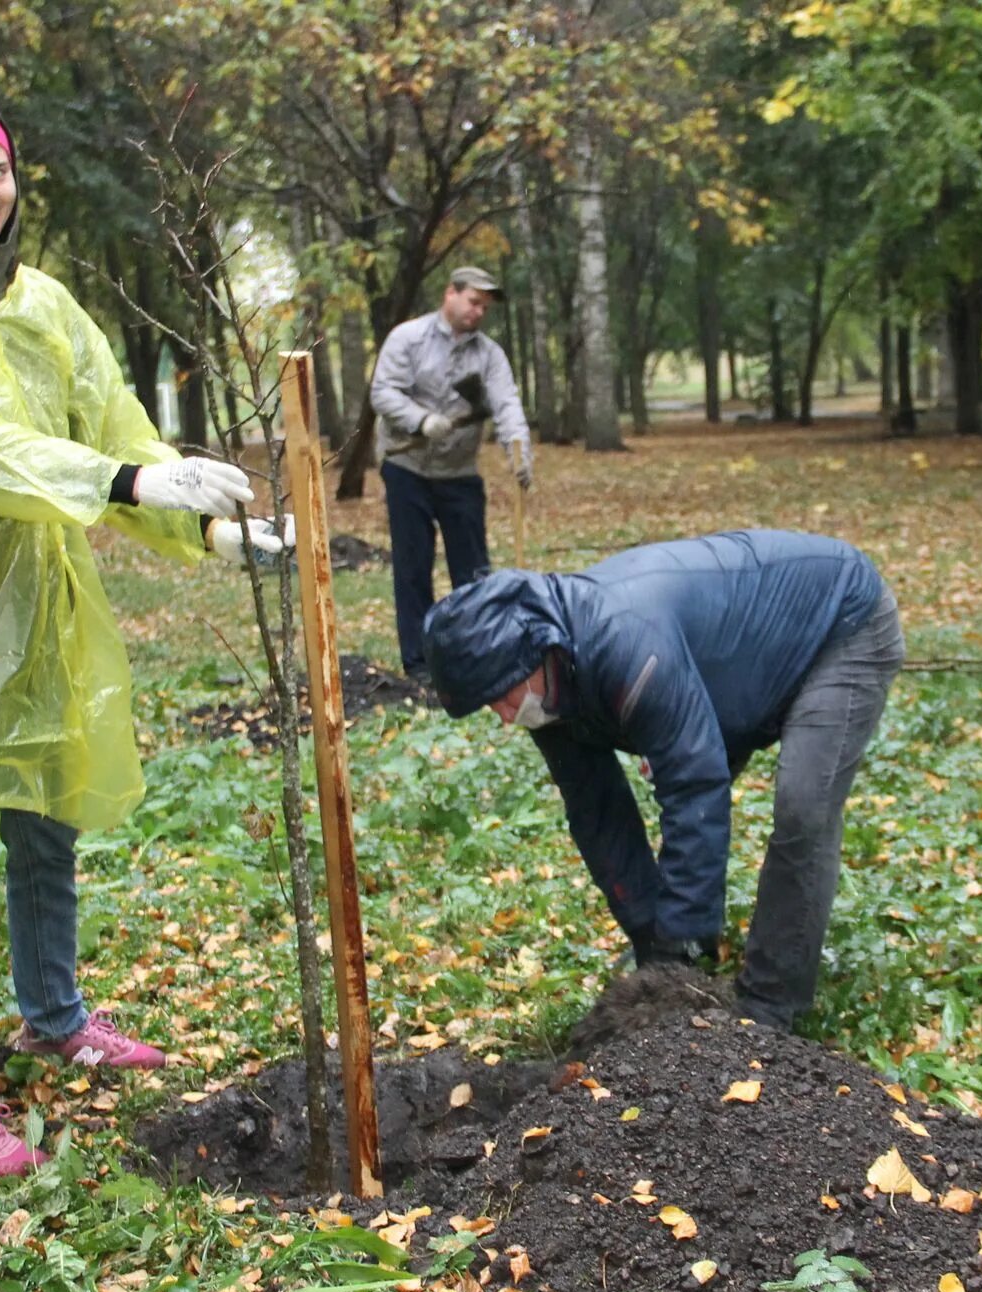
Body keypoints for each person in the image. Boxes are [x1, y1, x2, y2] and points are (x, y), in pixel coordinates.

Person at [0, 86, 287, 1176]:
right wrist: (126, 475)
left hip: (34, 617)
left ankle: (53, 1015)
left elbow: (111, 430)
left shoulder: (41, 306)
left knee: (45, 830)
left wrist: (209, 530)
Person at [421, 531, 903, 1032]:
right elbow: (598, 812)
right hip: (740, 667)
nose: (504, 716)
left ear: (536, 653)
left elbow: (695, 785)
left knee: (804, 805)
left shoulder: (625, 645)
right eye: (489, 706)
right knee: (678, 823)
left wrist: (681, 951)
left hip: (840, 621)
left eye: (501, 695)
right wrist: (654, 947)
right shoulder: (550, 684)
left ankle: (771, 1003)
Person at [369, 266, 532, 680]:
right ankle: (420, 663)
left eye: (485, 307)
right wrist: (421, 420)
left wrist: (519, 450)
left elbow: (506, 402)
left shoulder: (489, 355)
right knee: (413, 566)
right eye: (474, 301)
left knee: (474, 570)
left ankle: (479, 652)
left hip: (459, 473)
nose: (479, 312)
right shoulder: (408, 338)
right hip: (407, 467)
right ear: (450, 294)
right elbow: (383, 392)